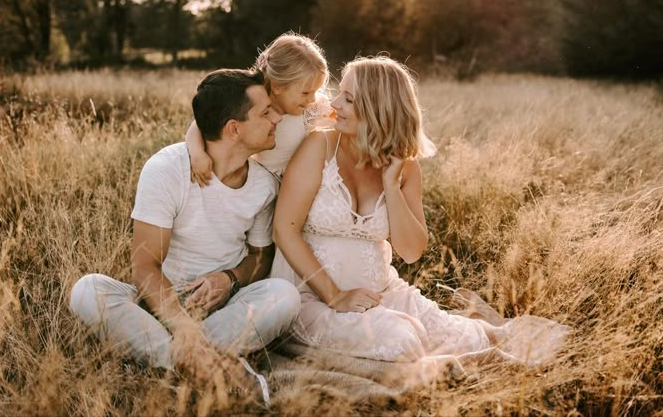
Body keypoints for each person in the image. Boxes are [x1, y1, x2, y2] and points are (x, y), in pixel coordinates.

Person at [271, 56, 568, 373]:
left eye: (348, 98)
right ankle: (442, 370)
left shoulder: (405, 166)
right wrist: (336, 296)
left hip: (383, 293)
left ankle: (481, 345)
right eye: (339, 93)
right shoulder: (321, 146)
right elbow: (284, 231)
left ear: (378, 110)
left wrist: (391, 185)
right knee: (403, 340)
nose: (334, 103)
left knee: (471, 340)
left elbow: (411, 252)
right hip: (313, 299)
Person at [70, 69, 301, 380]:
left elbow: (260, 259)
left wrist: (229, 279)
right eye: (266, 113)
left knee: (285, 295)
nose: (278, 119)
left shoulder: (264, 186)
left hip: (227, 307)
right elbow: (145, 266)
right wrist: (181, 324)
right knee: (87, 291)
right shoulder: (166, 169)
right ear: (234, 129)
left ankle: (168, 361)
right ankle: (195, 361)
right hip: (162, 306)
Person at [187, 33, 333, 183]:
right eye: (306, 92)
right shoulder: (253, 101)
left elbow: (342, 127)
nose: (312, 99)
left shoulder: (314, 110)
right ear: (278, 86)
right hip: (253, 183)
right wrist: (197, 153)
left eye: (316, 91)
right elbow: (200, 123)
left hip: (291, 186)